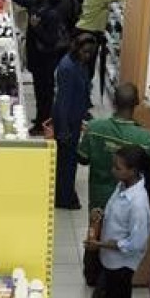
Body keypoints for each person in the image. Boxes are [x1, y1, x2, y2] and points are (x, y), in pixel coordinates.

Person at [78, 83, 150, 298]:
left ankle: (91, 276)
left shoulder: (94, 127)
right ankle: (105, 285)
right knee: (118, 240)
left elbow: (82, 158)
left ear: (113, 101)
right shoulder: (147, 138)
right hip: (126, 199)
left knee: (95, 233)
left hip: (99, 194)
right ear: (136, 104)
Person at [81, 145, 150, 298]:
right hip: (110, 259)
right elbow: (116, 213)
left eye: (118, 167)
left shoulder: (138, 203)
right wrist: (101, 214)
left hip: (123, 264)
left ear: (132, 171)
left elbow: (135, 242)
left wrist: (100, 244)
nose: (113, 170)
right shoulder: (123, 185)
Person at [10, 0, 66, 136]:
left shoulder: (52, 14)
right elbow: (22, 1)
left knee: (45, 94)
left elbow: (50, 40)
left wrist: (36, 27)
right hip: (36, 59)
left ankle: (43, 125)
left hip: (46, 61)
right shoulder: (38, 4)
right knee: (39, 91)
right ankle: (41, 118)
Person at [52, 33, 96, 209]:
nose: (88, 56)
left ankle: (66, 192)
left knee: (69, 160)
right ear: (76, 48)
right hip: (66, 121)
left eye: (90, 53)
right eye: (85, 52)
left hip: (74, 118)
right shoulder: (67, 68)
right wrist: (63, 129)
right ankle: (63, 197)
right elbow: (63, 101)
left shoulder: (78, 63)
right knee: (66, 162)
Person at [75, 0, 124, 104]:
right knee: (86, 71)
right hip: (88, 34)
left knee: (86, 69)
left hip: (87, 31)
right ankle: (82, 102)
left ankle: (84, 99)